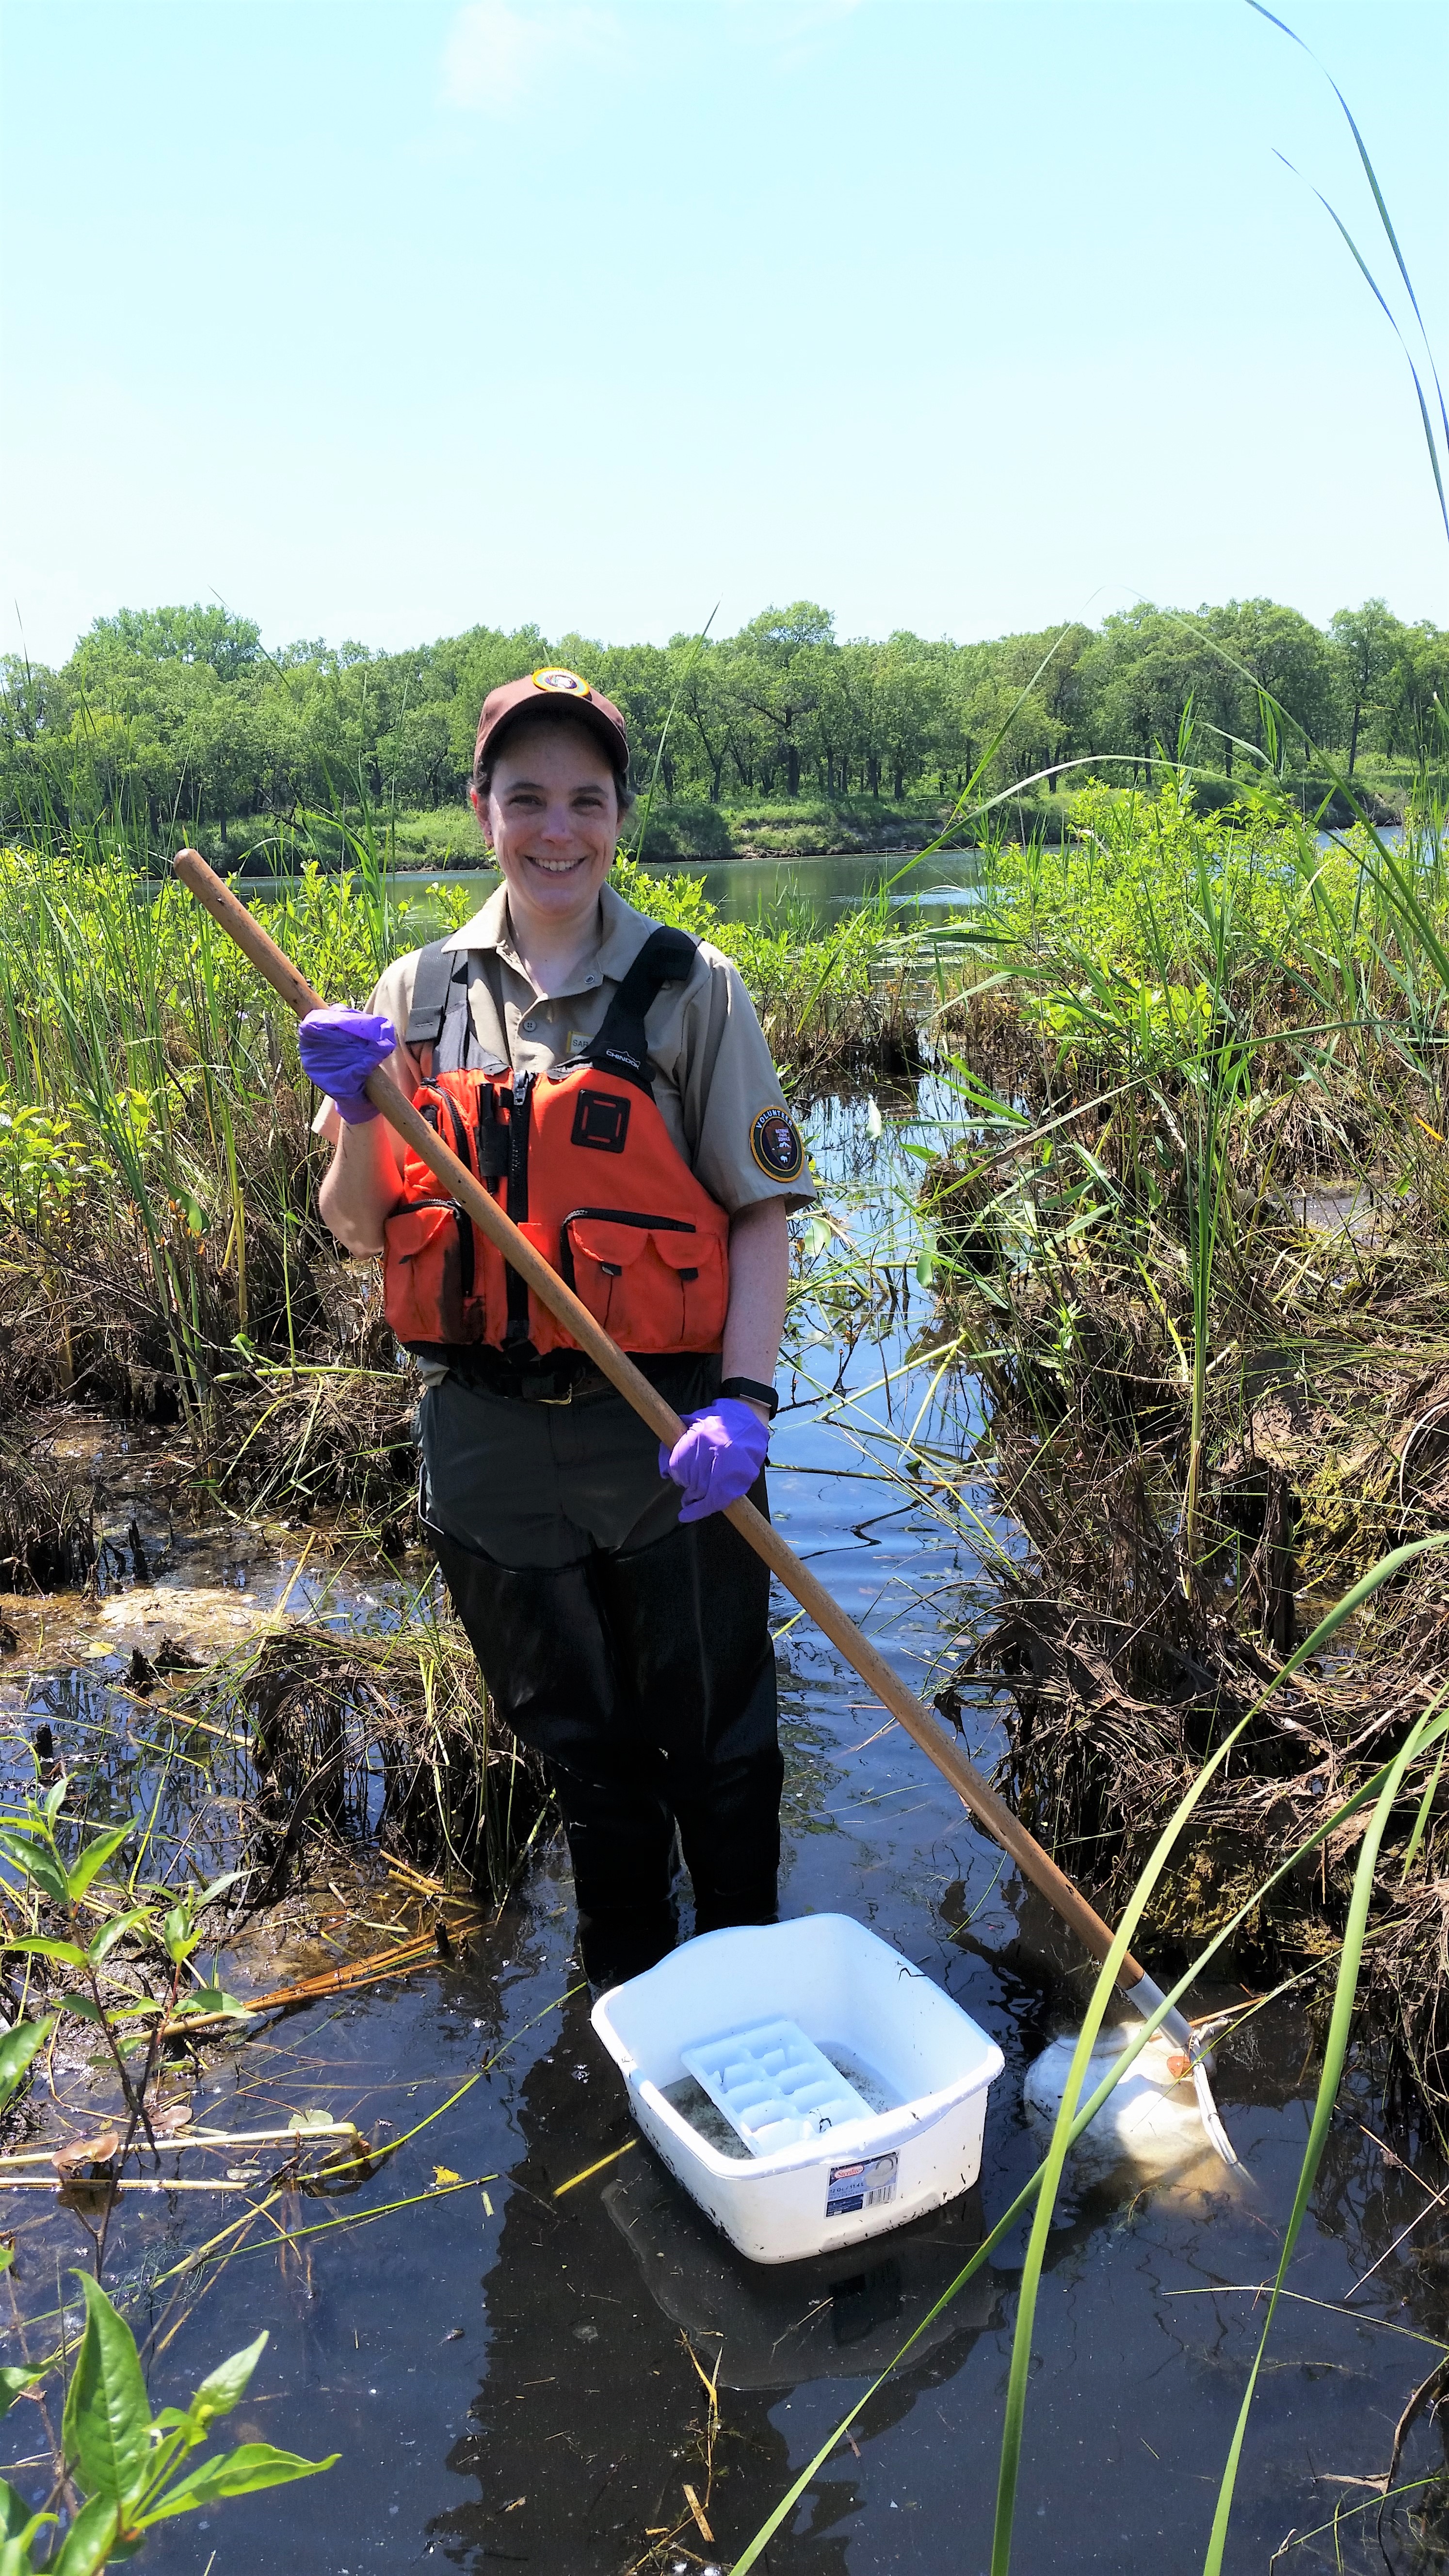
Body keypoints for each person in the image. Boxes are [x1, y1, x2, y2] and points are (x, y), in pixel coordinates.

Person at [300, 666, 817, 1990]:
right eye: (526, 797)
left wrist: (744, 1402)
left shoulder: (691, 985)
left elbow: (759, 1216)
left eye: (586, 799)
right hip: (486, 1442)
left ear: (619, 816)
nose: (556, 829)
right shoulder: (416, 991)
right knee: (579, 1745)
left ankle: (750, 1974)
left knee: (717, 1738)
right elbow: (357, 1227)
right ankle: (628, 1987)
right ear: (482, 810)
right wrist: (359, 1109)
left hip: (663, 1428)